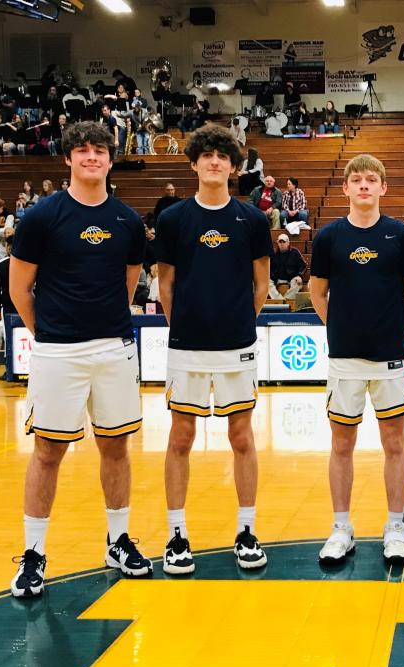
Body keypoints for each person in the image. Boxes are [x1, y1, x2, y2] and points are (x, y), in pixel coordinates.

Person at [8, 120, 151, 598]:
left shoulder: (128, 221)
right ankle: (33, 554)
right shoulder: (42, 217)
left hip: (112, 347)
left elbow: (129, 284)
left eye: (100, 150)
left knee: (116, 447)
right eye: (83, 150)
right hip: (56, 351)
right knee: (48, 452)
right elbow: (18, 288)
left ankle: (118, 541)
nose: (92, 157)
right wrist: (48, 335)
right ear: (67, 159)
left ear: (111, 159)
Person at [154, 123, 272, 575]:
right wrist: (185, 323)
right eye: (207, 155)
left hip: (236, 345)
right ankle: (177, 535)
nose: (215, 162)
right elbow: (166, 284)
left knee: (241, 437)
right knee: (180, 437)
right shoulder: (173, 219)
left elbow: (261, 284)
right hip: (187, 344)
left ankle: (246, 531)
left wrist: (238, 320)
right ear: (195, 163)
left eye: (223, 156)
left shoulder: (253, 219)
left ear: (234, 167)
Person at [309, 154, 404, 564]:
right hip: (344, 359)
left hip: (388, 357)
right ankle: (341, 527)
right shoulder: (328, 238)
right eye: (355, 180)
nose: (363, 186)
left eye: (370, 180)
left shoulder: (399, 235)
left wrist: (398, 329)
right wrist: (337, 326)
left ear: (382, 188)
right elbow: (317, 292)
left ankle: (395, 527)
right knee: (342, 443)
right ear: (345, 188)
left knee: (394, 442)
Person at [270, 234, 307, 300]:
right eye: (280, 242)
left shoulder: (295, 252)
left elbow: (303, 266)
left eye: (284, 242)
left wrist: (299, 275)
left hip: (291, 277)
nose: (282, 244)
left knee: (297, 284)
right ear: (277, 243)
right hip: (276, 278)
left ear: (288, 243)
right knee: (266, 283)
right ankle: (280, 301)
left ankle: (286, 301)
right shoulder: (273, 253)